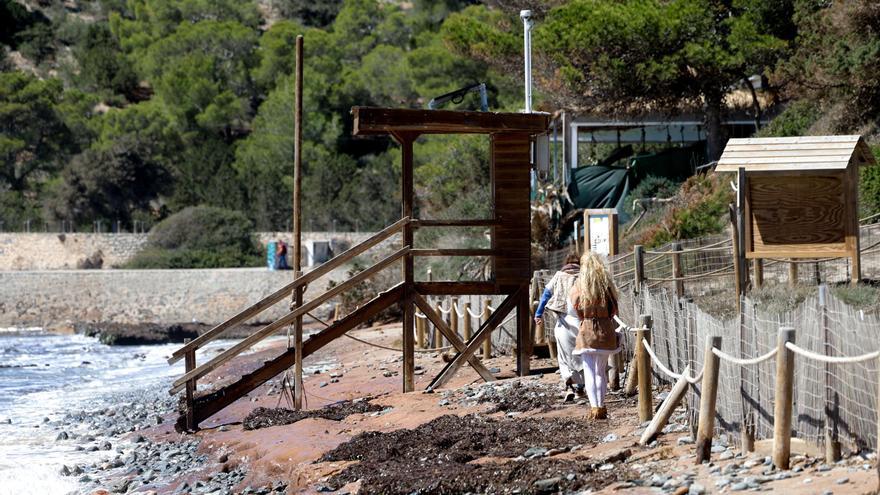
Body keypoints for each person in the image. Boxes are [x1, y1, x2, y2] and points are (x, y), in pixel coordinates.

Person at [568, 251, 621, 420]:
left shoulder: (579, 287)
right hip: (606, 330)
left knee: (589, 372)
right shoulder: (606, 286)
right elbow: (614, 310)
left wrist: (587, 318)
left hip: (587, 331)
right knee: (600, 371)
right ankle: (602, 406)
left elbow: (576, 310)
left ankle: (594, 408)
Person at [534, 253, 584, 402]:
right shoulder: (585, 278)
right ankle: (580, 389)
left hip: (563, 323)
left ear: (566, 263)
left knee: (563, 356)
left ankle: (569, 386)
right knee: (581, 356)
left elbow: (545, 295)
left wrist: (538, 314)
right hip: (582, 322)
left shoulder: (558, 276)